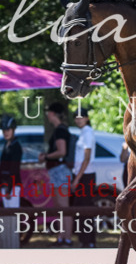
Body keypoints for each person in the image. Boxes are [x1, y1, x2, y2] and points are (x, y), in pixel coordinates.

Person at [39, 102, 73, 245]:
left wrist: (46, 156)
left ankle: (66, 237)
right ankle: (62, 236)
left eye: (48, 112)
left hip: (60, 170)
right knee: (60, 206)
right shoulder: (61, 129)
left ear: (52, 113)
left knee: (63, 206)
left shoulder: (60, 131)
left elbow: (61, 152)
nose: (47, 115)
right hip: (58, 170)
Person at [70, 105, 97, 248]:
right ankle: (84, 239)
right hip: (81, 175)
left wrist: (77, 178)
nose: (78, 119)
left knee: (86, 208)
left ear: (87, 118)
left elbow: (86, 158)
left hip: (86, 176)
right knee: (80, 208)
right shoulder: (82, 133)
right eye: (76, 117)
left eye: (81, 117)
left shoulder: (88, 133)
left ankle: (89, 240)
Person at [0, 114, 23, 205]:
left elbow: (14, 169)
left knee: (13, 213)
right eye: (3, 130)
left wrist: (9, 188)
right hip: (5, 184)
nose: (5, 133)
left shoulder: (16, 146)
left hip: (12, 185)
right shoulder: (7, 145)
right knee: (7, 213)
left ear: (13, 130)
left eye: (8, 130)